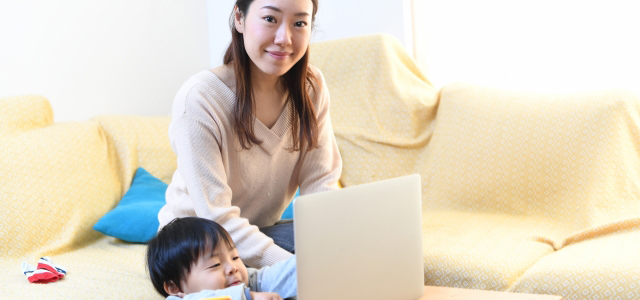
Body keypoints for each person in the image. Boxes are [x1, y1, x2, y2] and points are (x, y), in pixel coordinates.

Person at [157, 0, 342, 269]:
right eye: (270, 19)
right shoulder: (200, 99)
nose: (284, 39)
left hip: (259, 231)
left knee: (357, 246)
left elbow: (321, 182)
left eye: (300, 23)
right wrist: (296, 271)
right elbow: (215, 215)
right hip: (195, 245)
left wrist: (334, 245)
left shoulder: (310, 87)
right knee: (310, 271)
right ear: (239, 19)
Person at [147, 217, 297, 300]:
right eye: (215, 264)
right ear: (175, 288)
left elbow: (278, 276)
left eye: (235, 257)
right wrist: (247, 296)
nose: (233, 267)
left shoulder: (246, 281)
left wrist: (307, 264)